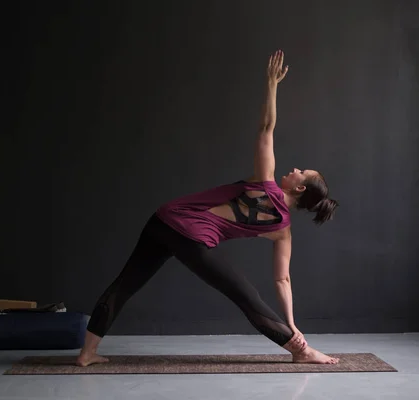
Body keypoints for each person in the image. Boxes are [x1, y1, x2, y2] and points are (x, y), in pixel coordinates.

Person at [76, 49, 340, 367]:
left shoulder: (265, 181)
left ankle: (86, 353)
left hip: (163, 219)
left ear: (299, 188)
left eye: (302, 172)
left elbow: (265, 129)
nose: (295, 168)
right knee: (246, 297)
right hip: (190, 237)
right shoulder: (281, 231)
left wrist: (272, 84)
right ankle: (301, 350)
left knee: (125, 284)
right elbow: (282, 281)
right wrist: (293, 323)